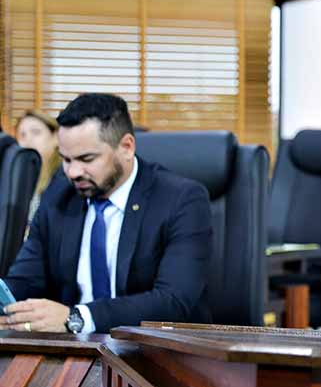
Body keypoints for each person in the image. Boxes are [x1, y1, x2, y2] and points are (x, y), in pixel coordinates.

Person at [1, 93, 212, 334]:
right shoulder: (60, 195)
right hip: (75, 355)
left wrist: (77, 317)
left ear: (126, 147)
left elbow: (173, 300)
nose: (73, 172)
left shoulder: (181, 199)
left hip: (155, 355)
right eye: (66, 160)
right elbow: (26, 280)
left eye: (86, 158)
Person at [16, 110, 63, 221]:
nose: (28, 139)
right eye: (22, 135)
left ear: (56, 137)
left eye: (36, 132)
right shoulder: (17, 178)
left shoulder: (65, 177)